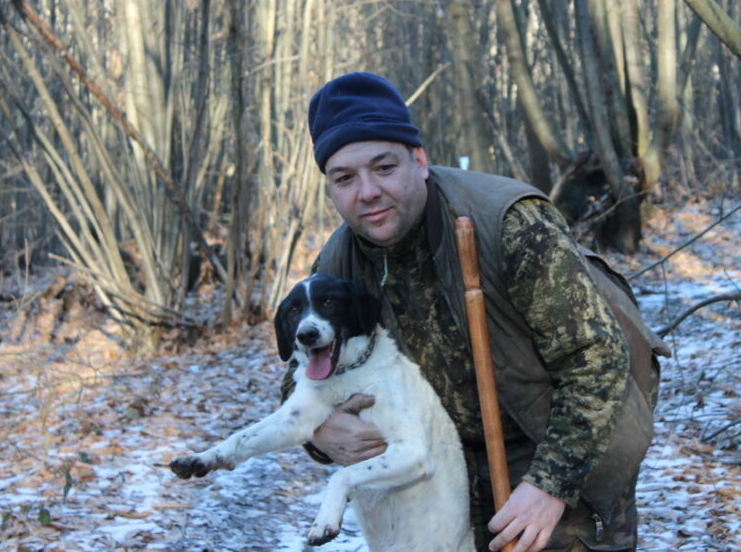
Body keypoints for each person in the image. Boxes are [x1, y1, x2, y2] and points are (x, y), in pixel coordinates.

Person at [283, 72, 666, 552]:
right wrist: (322, 432)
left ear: (419, 160)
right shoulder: (340, 264)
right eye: (345, 178)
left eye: (383, 167)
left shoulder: (506, 223)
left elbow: (596, 359)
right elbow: (298, 376)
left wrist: (549, 486)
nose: (368, 192)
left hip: (558, 442)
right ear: (331, 189)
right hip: (445, 467)